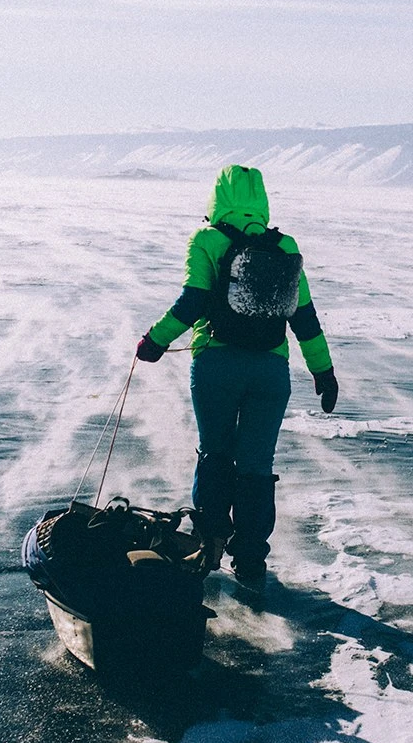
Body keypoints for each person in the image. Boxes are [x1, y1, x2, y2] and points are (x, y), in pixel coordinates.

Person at [135, 164, 337, 590]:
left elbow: (193, 302)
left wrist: (154, 341)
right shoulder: (284, 245)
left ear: (217, 197)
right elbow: (305, 317)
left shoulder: (207, 240)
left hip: (216, 367)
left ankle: (208, 546)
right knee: (256, 467)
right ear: (262, 200)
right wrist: (324, 371)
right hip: (270, 372)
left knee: (215, 455)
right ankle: (250, 562)